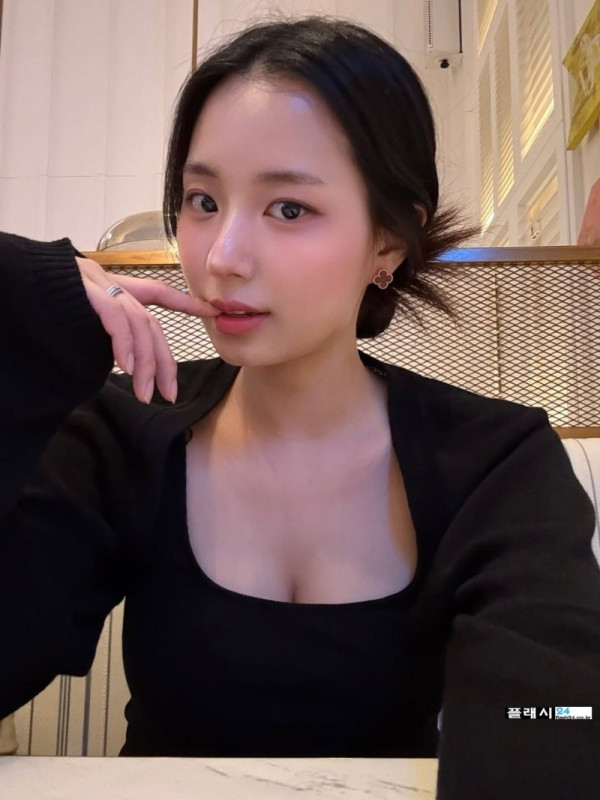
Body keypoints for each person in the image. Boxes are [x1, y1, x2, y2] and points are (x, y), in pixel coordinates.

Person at [1, 14, 599, 799]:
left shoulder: (495, 460)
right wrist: (19, 298)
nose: (221, 257)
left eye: (288, 208)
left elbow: (555, 715)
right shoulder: (124, 429)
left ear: (389, 242)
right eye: (202, 200)